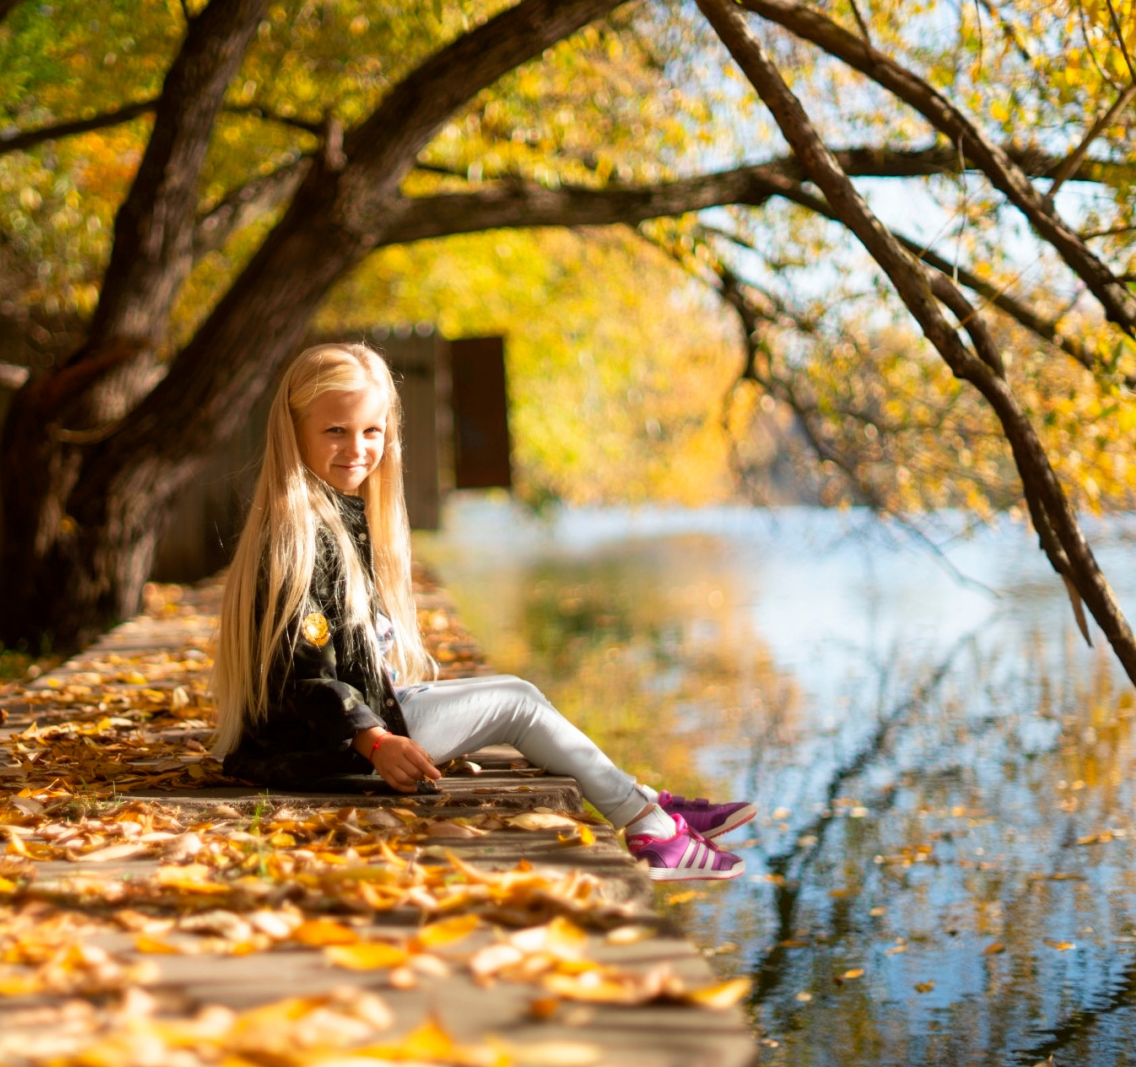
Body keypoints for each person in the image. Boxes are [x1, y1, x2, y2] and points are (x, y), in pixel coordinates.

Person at [212, 343, 753, 882]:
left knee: (522, 695)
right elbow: (300, 675)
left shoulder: (330, 512)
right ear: (294, 430)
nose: (357, 448)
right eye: (335, 431)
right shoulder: (297, 537)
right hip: (318, 746)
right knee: (516, 702)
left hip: (343, 730)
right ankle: (650, 828)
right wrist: (373, 740)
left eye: (371, 431)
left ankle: (644, 801)